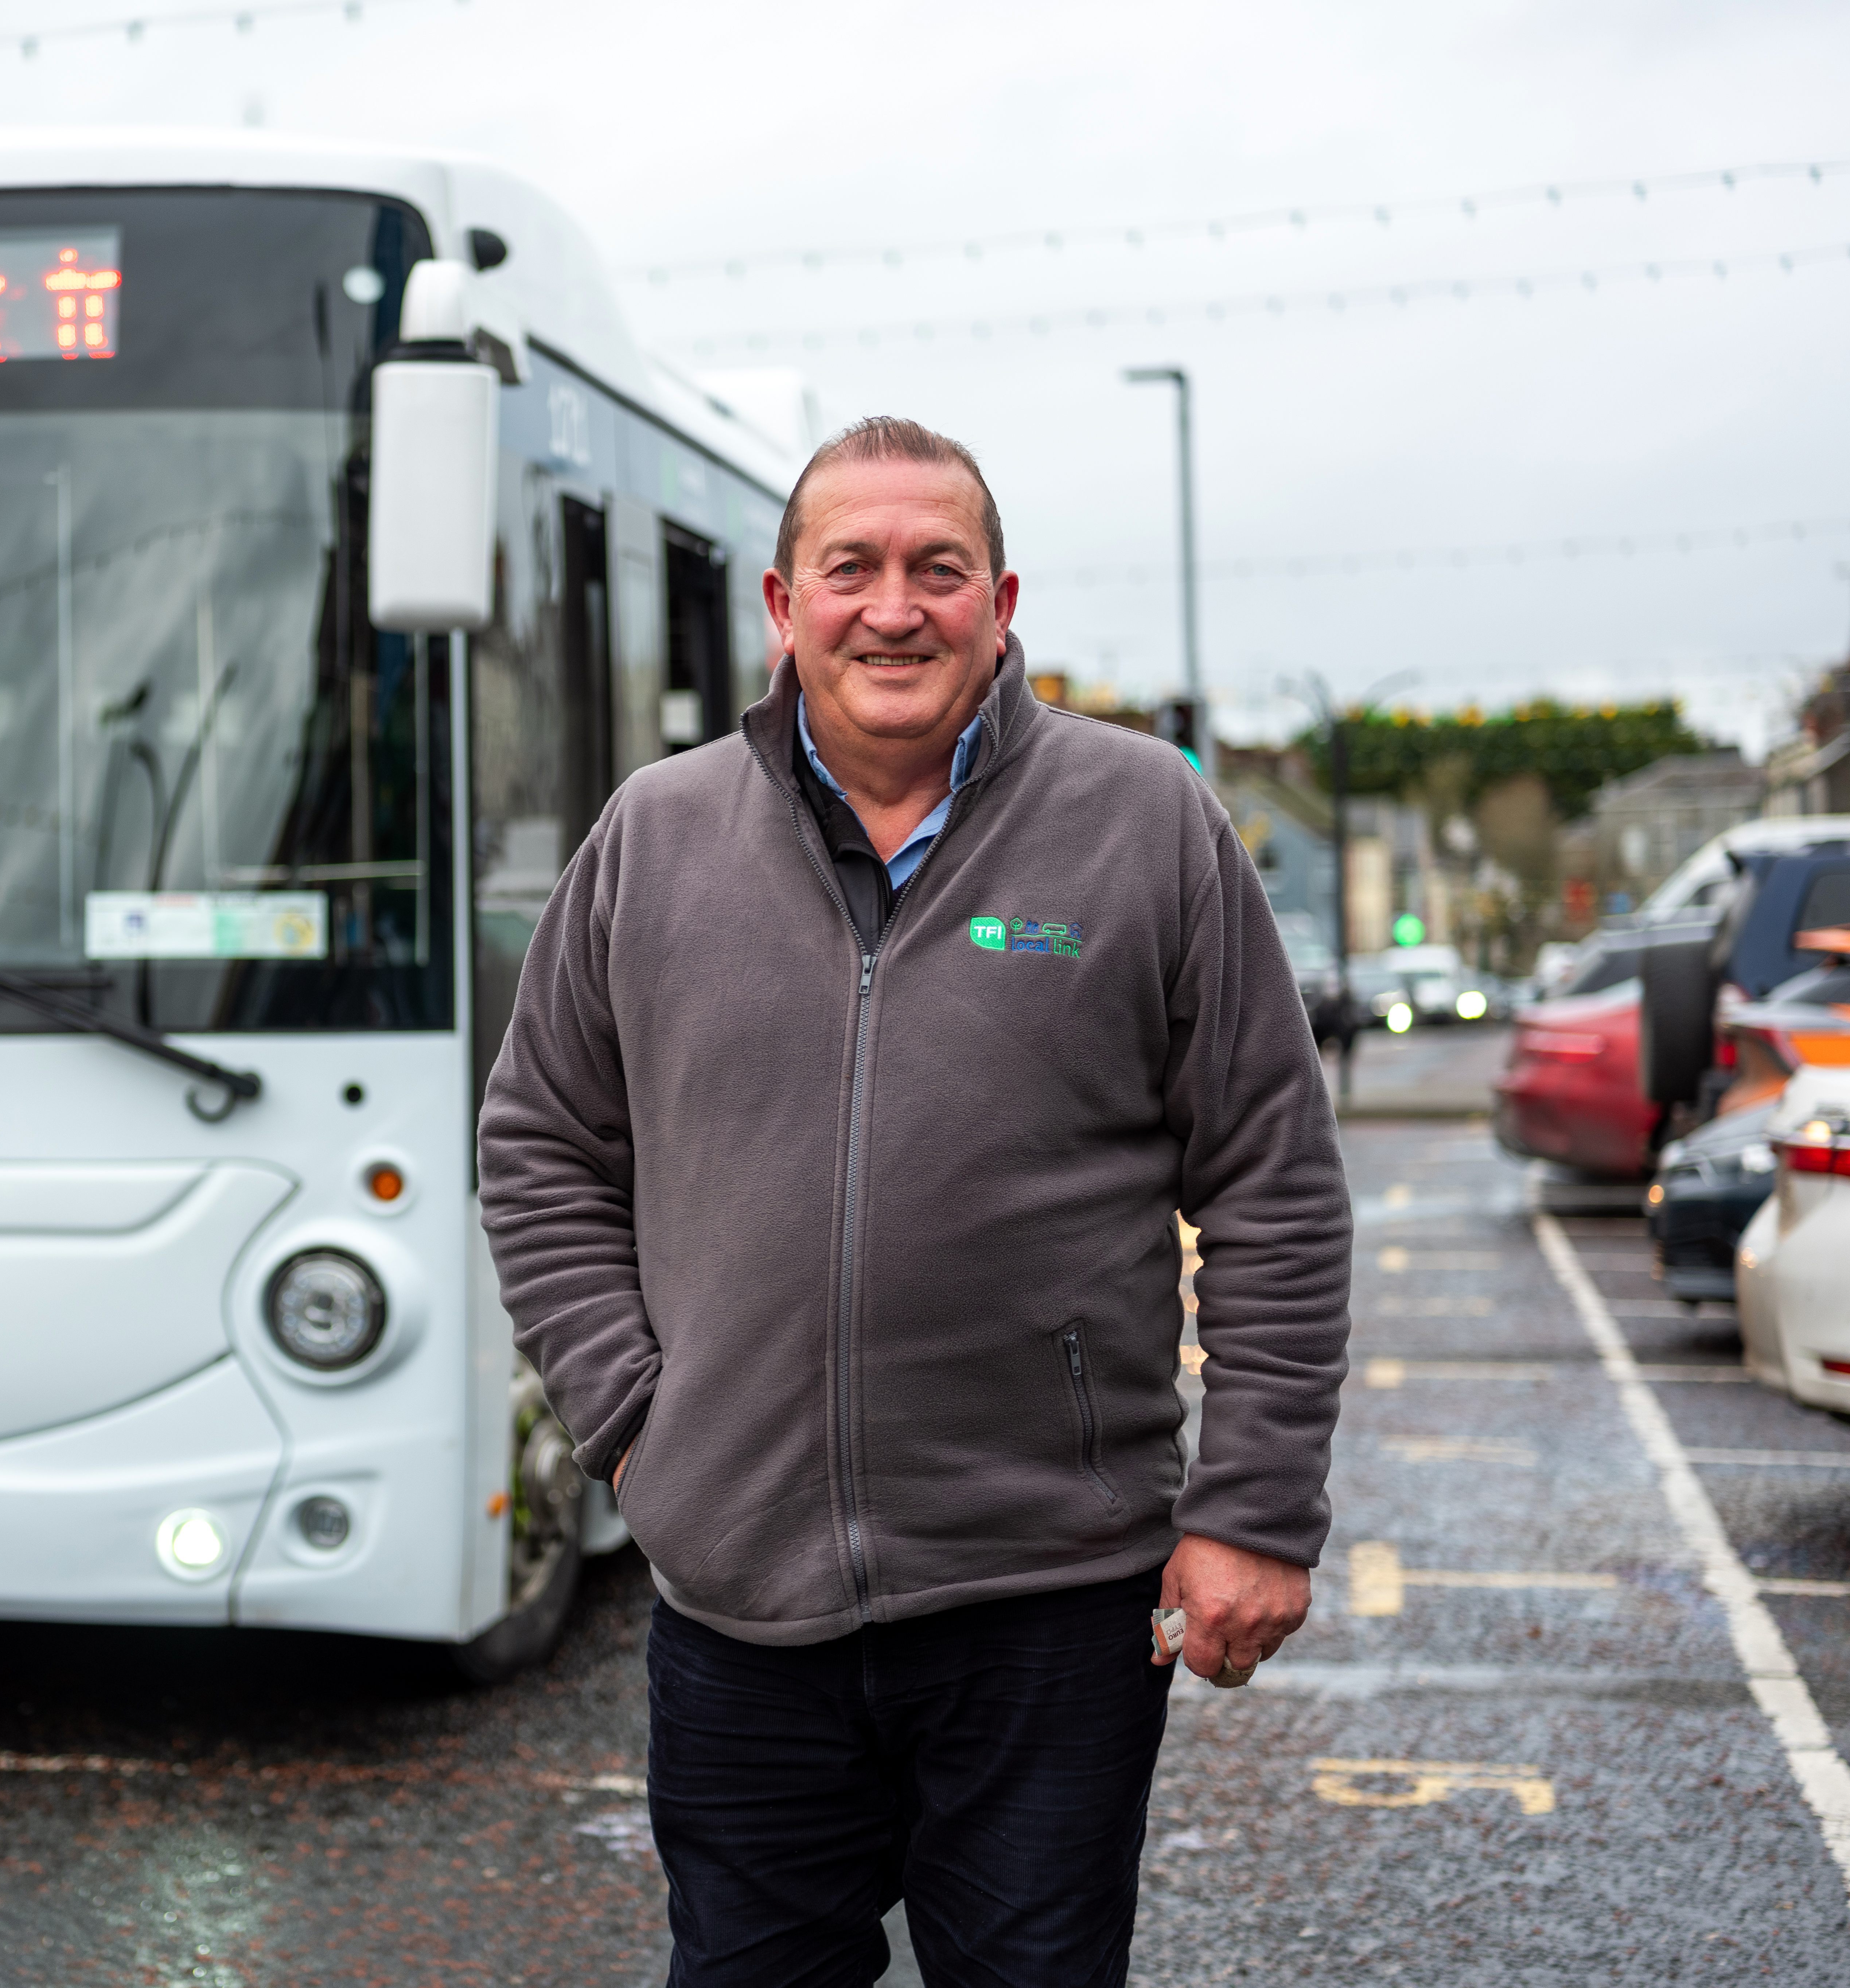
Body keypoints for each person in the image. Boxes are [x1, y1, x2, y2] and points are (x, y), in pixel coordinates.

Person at [477, 417, 1352, 1986]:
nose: (894, 607)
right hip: (736, 1603)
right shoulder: (652, 837)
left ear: (999, 603)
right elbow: (539, 1139)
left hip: (1048, 1600)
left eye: (935, 570)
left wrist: (1254, 1504)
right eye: (851, 568)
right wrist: (633, 1421)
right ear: (780, 603)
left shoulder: (1144, 820)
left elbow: (1272, 1178)